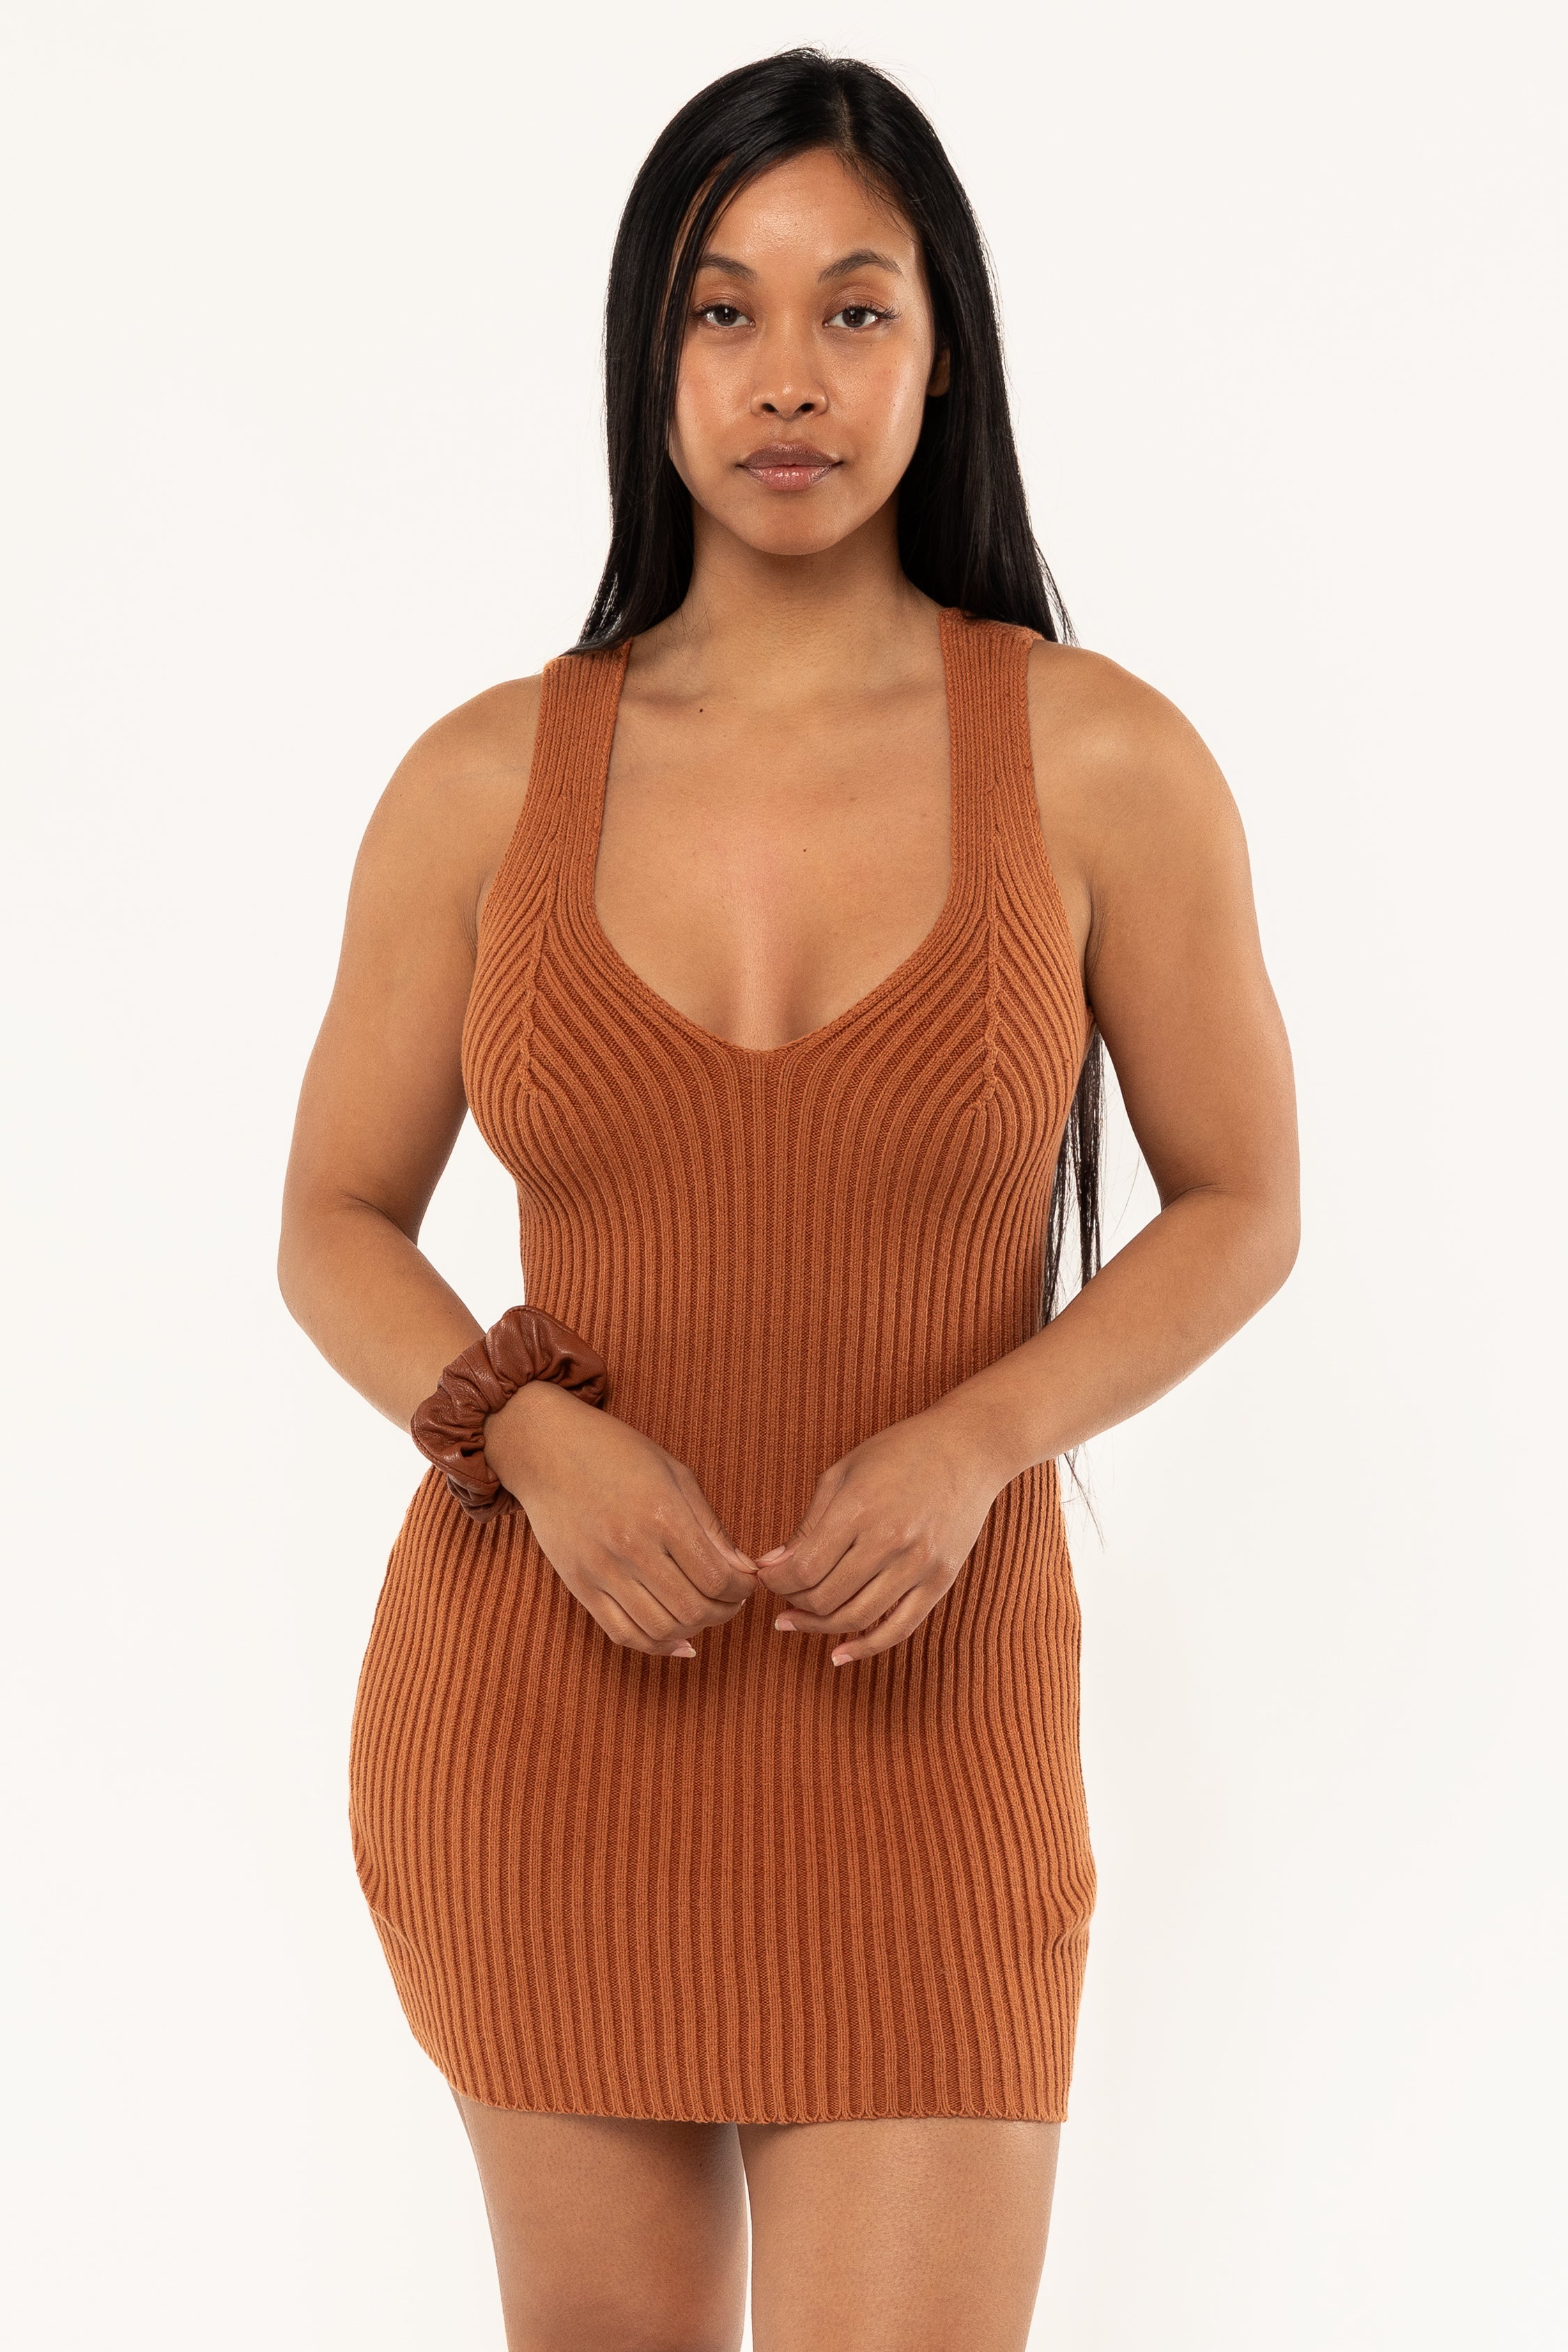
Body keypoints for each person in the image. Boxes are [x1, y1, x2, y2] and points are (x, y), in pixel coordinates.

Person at [277, 46, 1299, 2352]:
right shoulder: (480, 781)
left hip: (931, 1743)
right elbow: (330, 1218)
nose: (787, 378)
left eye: (855, 309)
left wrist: (977, 1439)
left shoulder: (1096, 757)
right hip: (538, 1734)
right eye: (720, 311)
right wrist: (528, 1436)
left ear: (944, 355)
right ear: (646, 361)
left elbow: (1242, 1198)